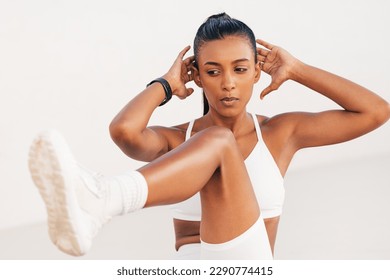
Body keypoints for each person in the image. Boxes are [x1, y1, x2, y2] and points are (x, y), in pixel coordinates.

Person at [28, 13, 389, 259]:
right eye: (213, 71)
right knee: (215, 141)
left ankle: (104, 199)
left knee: (219, 141)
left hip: (246, 270)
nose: (228, 83)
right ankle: (100, 200)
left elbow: (376, 111)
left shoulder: (280, 133)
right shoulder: (176, 140)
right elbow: (123, 132)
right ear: (197, 78)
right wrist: (165, 85)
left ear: (257, 73)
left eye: (240, 69)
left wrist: (297, 69)